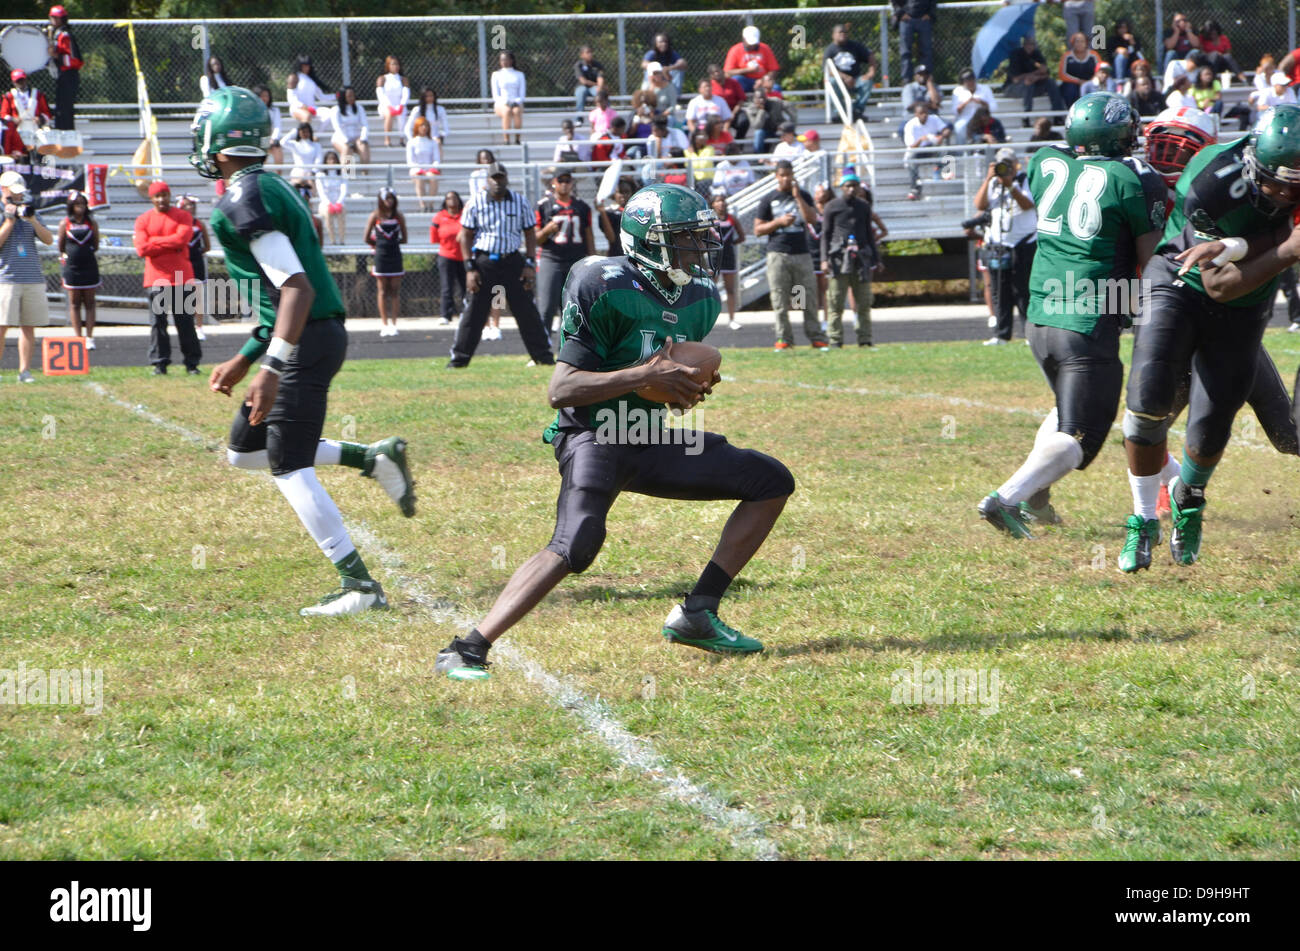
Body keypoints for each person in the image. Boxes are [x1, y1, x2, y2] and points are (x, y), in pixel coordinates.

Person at [433, 183, 795, 679]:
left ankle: (697, 612)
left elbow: (664, 378)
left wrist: (683, 389)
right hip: (593, 434)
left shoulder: (700, 297)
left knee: (769, 481)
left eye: (699, 236)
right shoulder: (600, 280)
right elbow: (561, 389)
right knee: (577, 541)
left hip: (649, 434)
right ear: (649, 242)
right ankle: (467, 647)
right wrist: (647, 375)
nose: (699, 247)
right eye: (687, 237)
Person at [194, 86, 416, 616]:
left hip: (304, 337)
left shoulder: (243, 197)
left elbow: (296, 287)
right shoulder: (264, 185)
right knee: (243, 452)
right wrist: (247, 356)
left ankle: (361, 587)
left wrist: (271, 366)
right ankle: (371, 457)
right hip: (302, 333)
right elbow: (282, 293)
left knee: (288, 465)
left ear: (219, 139)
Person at [977, 94, 1167, 542]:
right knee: (1082, 437)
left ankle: (1037, 497)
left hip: (1041, 317)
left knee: (1067, 413)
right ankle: (1005, 499)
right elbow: (1151, 261)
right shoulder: (1135, 178)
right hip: (1086, 320)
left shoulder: (1046, 163)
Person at [1119, 105, 1300, 568]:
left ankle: (1189, 501)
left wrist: (1245, 244)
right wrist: (1287, 247)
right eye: (1275, 182)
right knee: (1148, 397)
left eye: (1293, 187)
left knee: (1211, 420)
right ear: (1252, 161)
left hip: (1246, 303)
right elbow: (1220, 284)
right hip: (1181, 280)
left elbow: (1271, 235)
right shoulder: (1211, 179)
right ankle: (1142, 518)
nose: (1282, 193)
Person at [447, 162, 556, 369]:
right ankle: (459, 359)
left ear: (506, 178)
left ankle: (543, 356)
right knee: (474, 312)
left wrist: (530, 263)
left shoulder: (519, 202)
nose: (497, 182)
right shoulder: (476, 202)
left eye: (500, 177)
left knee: (526, 311)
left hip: (512, 260)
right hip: (484, 261)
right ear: (487, 180)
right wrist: (469, 268)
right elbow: (466, 236)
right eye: (493, 178)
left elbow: (530, 233)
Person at [756, 160, 825, 351]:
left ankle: (816, 337)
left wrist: (798, 198)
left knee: (804, 298)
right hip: (778, 254)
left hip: (801, 255)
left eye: (789, 174)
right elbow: (758, 229)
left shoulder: (802, 195)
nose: (786, 178)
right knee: (780, 298)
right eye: (782, 175)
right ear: (777, 177)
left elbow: (812, 219)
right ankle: (784, 338)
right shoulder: (768, 198)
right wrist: (778, 222)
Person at [134, 181, 200, 376]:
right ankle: (159, 363)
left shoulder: (183, 216)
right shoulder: (143, 220)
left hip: (180, 277)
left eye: (164, 194)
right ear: (151, 198)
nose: (161, 199)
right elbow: (141, 248)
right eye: (157, 196)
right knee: (158, 323)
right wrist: (169, 243)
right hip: (155, 278)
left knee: (185, 322)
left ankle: (192, 363)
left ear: (169, 196)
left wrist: (154, 242)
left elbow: (182, 239)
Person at [973, 147, 1036, 345]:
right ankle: (1001, 334)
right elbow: (979, 205)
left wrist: (1010, 185)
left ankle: (1029, 333)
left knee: (1024, 290)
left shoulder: (1025, 180)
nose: (1005, 168)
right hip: (999, 245)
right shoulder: (993, 183)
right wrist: (988, 178)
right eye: (1002, 164)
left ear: (1015, 164)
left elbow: (1027, 204)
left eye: (1008, 164)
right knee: (1000, 290)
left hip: (1023, 242)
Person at [0, 170, 53, 382]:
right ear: (4, 190)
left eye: (20, 193)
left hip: (32, 277)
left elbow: (48, 239)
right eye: (14, 192)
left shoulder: (30, 211)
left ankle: (25, 371)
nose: (19, 196)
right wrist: (9, 221)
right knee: (2, 326)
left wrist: (31, 220)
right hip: (6, 278)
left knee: (28, 326)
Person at [820, 171, 882, 348]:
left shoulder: (863, 207)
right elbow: (825, 234)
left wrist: (876, 259)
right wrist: (824, 259)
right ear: (842, 188)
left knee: (863, 301)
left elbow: (869, 234)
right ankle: (835, 339)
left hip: (861, 258)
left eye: (854, 185)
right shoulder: (832, 206)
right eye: (848, 186)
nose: (851, 189)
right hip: (839, 258)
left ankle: (865, 339)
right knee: (836, 301)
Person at [535, 168, 594, 338]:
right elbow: (535, 239)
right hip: (551, 259)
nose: (564, 184)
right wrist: (547, 230)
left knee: (572, 307)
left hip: (576, 261)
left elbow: (588, 236)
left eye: (567, 181)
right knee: (546, 307)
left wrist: (592, 260)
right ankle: (542, 350)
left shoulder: (582, 206)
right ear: (553, 182)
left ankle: (570, 348)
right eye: (560, 181)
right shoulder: (543, 205)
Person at [58, 189, 98, 349]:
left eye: (82, 203)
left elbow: (95, 244)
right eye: (76, 204)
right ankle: (78, 337)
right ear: (71, 206)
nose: (79, 207)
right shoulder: (65, 223)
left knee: (89, 302)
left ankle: (89, 337)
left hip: (89, 266)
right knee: (74, 303)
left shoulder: (91, 223)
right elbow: (61, 245)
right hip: (72, 268)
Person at [364, 188, 406, 337]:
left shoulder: (398, 216)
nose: (389, 201)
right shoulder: (375, 215)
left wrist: (392, 244)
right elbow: (366, 237)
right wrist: (379, 245)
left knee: (394, 291)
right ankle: (384, 324)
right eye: (387, 198)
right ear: (381, 200)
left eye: (392, 198)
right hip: (381, 256)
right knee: (382, 291)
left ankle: (394, 324)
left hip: (395, 256)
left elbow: (404, 238)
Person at [175, 195, 210, 341]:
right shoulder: (176, 224)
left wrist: (195, 254)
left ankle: (199, 327)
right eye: (188, 205)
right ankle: (184, 328)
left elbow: (207, 246)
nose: (191, 208)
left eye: (193, 205)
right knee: (181, 297)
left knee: (198, 296)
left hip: (196, 263)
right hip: (180, 263)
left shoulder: (199, 224)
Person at [823, 22, 875, 121]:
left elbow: (870, 55)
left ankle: (856, 111)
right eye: (840, 32)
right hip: (839, 81)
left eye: (845, 32)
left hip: (855, 79)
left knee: (867, 82)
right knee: (832, 81)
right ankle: (841, 112)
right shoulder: (830, 50)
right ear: (833, 35)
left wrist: (871, 72)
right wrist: (844, 77)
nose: (843, 34)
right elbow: (827, 69)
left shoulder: (855, 46)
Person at [710, 189, 744, 330]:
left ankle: (732, 319)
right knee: (711, 289)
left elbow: (742, 236)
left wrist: (729, 245)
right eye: (718, 200)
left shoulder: (732, 219)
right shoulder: (710, 219)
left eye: (723, 200)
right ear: (712, 204)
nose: (721, 203)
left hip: (728, 256)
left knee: (730, 289)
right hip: (714, 256)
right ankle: (709, 320)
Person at [1008, 35, 1065, 120]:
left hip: (1034, 87)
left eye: (1032, 44)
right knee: (1028, 83)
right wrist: (1035, 73)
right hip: (1014, 89)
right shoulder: (1016, 55)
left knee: (1051, 82)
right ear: (1023, 45)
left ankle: (1058, 115)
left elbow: (1046, 74)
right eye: (1028, 44)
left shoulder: (1037, 54)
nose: (1030, 46)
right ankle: (1026, 117)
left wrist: (1037, 77)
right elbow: (1015, 79)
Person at [903, 100, 951, 200]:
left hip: (932, 148)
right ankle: (915, 188)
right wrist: (921, 139)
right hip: (917, 150)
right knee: (910, 160)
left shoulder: (934, 118)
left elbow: (946, 130)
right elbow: (911, 146)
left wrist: (942, 136)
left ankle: (944, 171)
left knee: (947, 151)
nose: (924, 115)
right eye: (921, 113)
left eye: (926, 112)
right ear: (916, 114)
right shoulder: (910, 125)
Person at [1, 70, 52, 160]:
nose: (21, 83)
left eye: (22, 80)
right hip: (17, 131)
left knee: (43, 141)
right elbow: (3, 114)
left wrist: (40, 119)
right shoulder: (9, 96)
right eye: (18, 81)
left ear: (26, 80)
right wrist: (13, 119)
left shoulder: (38, 95)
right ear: (13, 82)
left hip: (35, 128)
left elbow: (47, 114)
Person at [432, 191, 465, 326]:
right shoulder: (440, 217)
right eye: (448, 198)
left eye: (454, 198)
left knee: (466, 287)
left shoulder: (465, 215)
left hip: (464, 256)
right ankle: (445, 314)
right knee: (447, 287)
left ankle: (466, 312)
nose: (451, 200)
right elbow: (434, 238)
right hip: (446, 256)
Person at [47, 5, 81, 130]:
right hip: (62, 75)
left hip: (69, 75)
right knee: (60, 107)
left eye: (57, 18)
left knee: (65, 108)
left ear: (62, 19)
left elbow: (72, 60)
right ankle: (62, 132)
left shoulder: (65, 35)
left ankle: (66, 135)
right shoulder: (56, 34)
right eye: (52, 17)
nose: (54, 20)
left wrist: (55, 55)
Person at [724, 25, 779, 94]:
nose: (752, 46)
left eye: (754, 43)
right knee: (736, 80)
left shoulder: (765, 48)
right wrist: (748, 70)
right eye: (750, 43)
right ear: (744, 39)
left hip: (762, 81)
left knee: (776, 88)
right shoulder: (735, 50)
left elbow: (773, 69)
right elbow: (727, 73)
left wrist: (764, 79)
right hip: (745, 81)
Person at [892, 0, 936, 84]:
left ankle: (926, 78)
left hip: (924, 19)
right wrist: (901, 13)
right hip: (906, 20)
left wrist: (930, 14)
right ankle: (906, 80)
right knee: (905, 52)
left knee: (926, 51)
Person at [951, 67, 997, 144]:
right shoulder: (958, 91)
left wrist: (982, 102)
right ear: (964, 82)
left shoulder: (985, 88)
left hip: (982, 118)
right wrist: (965, 103)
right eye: (967, 81)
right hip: (965, 118)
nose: (970, 83)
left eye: (971, 80)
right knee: (958, 127)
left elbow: (994, 107)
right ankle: (961, 152)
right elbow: (954, 111)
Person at [329, 85, 370, 171]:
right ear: (343, 97)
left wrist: (363, 138)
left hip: (356, 136)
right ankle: (348, 176)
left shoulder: (359, 108)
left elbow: (365, 125)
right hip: (340, 137)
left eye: (353, 95)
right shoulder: (336, 109)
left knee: (364, 147)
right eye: (349, 96)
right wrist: (346, 140)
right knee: (347, 149)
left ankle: (365, 176)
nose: (352, 98)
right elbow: (337, 127)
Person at [286, 54, 334, 127]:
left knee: (330, 114)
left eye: (308, 65)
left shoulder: (312, 81)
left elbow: (321, 97)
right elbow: (291, 99)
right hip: (297, 108)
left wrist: (336, 96)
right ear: (299, 65)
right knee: (306, 116)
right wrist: (305, 107)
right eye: (304, 65)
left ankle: (316, 135)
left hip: (312, 108)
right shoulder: (294, 77)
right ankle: (304, 136)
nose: (306, 68)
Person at [280, 122, 322, 204]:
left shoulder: (316, 145)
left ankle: (309, 204)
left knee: (309, 186)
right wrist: (294, 131)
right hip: (298, 172)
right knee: (298, 184)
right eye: (303, 131)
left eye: (307, 131)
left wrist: (312, 171)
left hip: (311, 173)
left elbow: (318, 160)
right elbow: (282, 142)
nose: (305, 134)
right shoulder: (295, 144)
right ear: (299, 132)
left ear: (310, 132)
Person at [490, 51, 526, 146]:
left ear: (511, 60)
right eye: (502, 60)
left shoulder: (519, 74)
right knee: (507, 111)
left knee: (517, 112)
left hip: (516, 103)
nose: (504, 62)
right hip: (501, 103)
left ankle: (517, 139)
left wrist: (516, 101)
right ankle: (506, 139)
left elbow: (522, 95)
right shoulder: (496, 74)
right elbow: (495, 95)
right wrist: (505, 102)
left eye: (506, 59)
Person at [405, 116, 440, 212]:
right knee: (419, 178)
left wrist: (433, 168)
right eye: (422, 126)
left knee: (433, 177)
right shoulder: (411, 142)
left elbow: (436, 159)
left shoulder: (433, 142)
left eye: (426, 126)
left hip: (429, 169)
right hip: (416, 170)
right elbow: (410, 161)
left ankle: (431, 204)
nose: (424, 128)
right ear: (417, 127)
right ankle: (423, 205)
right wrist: (417, 169)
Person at [898, 64, 942, 137]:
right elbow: (909, 105)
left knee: (948, 126)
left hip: (931, 119)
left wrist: (930, 84)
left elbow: (936, 102)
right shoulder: (909, 87)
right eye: (920, 74)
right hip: (912, 118)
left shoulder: (935, 87)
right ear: (915, 76)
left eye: (925, 74)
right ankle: (911, 147)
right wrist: (930, 105)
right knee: (902, 129)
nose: (923, 76)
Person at [1058, 32, 1100, 107]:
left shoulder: (1094, 55)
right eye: (1077, 41)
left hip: (1090, 82)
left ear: (1086, 43)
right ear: (1073, 43)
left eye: (1082, 41)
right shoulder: (1067, 56)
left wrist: (1090, 81)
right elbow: (1062, 75)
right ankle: (1072, 112)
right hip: (1072, 84)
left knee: (1093, 88)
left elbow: (1100, 71)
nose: (1079, 44)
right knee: (1070, 89)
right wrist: (1078, 81)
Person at [375, 55, 409, 148]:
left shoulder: (403, 79)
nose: (396, 66)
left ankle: (402, 139)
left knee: (402, 114)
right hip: (385, 105)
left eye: (397, 64)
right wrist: (389, 106)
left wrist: (401, 105)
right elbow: (380, 94)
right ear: (388, 65)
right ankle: (387, 140)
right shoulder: (382, 78)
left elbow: (406, 93)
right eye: (393, 64)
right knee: (389, 114)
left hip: (399, 105)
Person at [315, 151, 347, 244]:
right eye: (329, 159)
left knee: (341, 214)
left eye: (334, 159)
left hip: (339, 202)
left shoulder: (342, 174)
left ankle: (342, 241)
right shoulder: (320, 175)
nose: (332, 161)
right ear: (325, 161)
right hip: (325, 203)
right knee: (328, 213)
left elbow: (344, 189)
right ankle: (333, 241)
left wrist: (339, 203)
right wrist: (329, 203)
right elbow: (321, 192)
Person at [597, 177, 634, 255]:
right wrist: (603, 213)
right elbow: (611, 239)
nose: (623, 195)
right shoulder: (609, 213)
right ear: (614, 194)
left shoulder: (637, 212)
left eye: (626, 192)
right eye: (620, 192)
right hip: (616, 255)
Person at [251, 85, 283, 166]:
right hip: (257, 140)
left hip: (271, 140)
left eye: (266, 96)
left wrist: (273, 139)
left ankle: (278, 174)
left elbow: (277, 126)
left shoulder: (275, 110)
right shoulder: (252, 110)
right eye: (262, 96)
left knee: (277, 150)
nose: (265, 98)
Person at [574, 45, 605, 119]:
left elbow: (600, 78)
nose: (590, 54)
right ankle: (579, 119)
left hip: (594, 88)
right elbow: (583, 81)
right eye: (587, 52)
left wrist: (599, 87)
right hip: (582, 86)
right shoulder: (578, 65)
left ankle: (604, 117)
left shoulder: (597, 65)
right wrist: (597, 84)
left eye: (591, 52)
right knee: (581, 92)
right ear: (582, 55)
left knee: (602, 94)